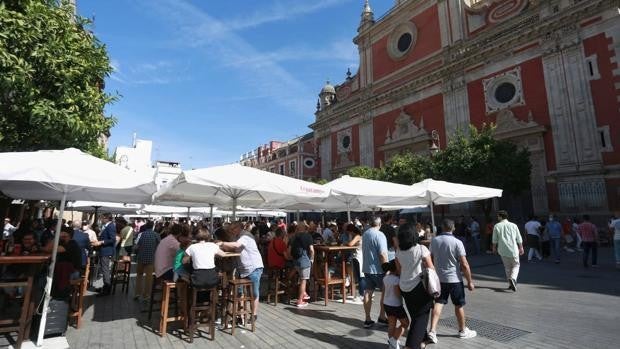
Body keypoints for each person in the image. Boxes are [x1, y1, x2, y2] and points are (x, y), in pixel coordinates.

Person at [428, 219, 477, 344]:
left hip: (440, 279)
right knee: (458, 305)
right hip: (455, 279)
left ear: (442, 227)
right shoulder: (457, 242)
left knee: (438, 303)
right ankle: (462, 330)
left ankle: (432, 331)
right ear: (453, 228)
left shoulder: (434, 241)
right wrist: (469, 281)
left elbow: (430, 259)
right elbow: (464, 264)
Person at [395, 223, 435, 349]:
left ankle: (422, 341)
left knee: (415, 315)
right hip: (420, 287)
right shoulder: (421, 248)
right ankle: (411, 346)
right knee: (420, 318)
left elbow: (399, 271)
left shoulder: (398, 251)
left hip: (405, 287)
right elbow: (431, 268)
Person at [219, 222, 264, 321]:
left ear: (239, 227)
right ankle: (241, 315)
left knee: (253, 293)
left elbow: (236, 245)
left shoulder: (245, 235)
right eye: (229, 229)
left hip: (253, 267)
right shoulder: (236, 236)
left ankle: (254, 315)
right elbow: (231, 246)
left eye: (232, 229)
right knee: (240, 292)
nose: (231, 231)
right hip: (242, 269)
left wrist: (222, 243)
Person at [361, 217, 388, 328]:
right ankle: (382, 316)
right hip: (378, 269)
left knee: (368, 292)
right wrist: (387, 267)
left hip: (367, 267)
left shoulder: (365, 234)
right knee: (385, 293)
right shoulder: (380, 235)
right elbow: (382, 254)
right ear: (380, 224)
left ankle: (367, 319)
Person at [492, 210, 524, 292]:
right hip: (513, 249)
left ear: (501, 216)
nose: (497, 217)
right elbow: (518, 238)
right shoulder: (513, 225)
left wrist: (494, 248)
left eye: (498, 216)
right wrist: (521, 247)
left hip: (502, 250)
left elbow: (494, 239)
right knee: (516, 265)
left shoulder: (497, 226)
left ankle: (510, 283)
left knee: (507, 267)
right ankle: (513, 279)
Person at [382, 260, 409, 349]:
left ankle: (392, 344)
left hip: (387, 304)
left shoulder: (385, 278)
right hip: (396, 305)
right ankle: (394, 339)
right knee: (405, 323)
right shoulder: (397, 280)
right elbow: (397, 294)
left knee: (391, 325)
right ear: (396, 268)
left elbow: (385, 291)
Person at [288, 221, 314, 308]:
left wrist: (291, 258)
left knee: (301, 277)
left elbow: (289, 250)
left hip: (296, 261)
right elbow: (311, 250)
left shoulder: (293, 237)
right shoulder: (308, 236)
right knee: (304, 280)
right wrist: (312, 259)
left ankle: (304, 294)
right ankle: (300, 300)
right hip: (304, 261)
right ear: (305, 228)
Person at [91, 214, 116, 296]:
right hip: (104, 250)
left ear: (106, 218)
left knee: (105, 270)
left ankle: (106, 289)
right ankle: (105, 287)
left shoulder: (111, 226)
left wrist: (101, 242)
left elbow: (112, 239)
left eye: (102, 218)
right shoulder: (106, 226)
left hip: (106, 251)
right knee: (104, 269)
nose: (101, 219)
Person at [134, 221, 160, 301]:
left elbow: (136, 246)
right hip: (151, 259)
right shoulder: (156, 235)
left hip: (141, 258)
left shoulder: (141, 234)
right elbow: (159, 246)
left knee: (139, 276)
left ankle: (137, 293)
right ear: (153, 226)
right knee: (149, 278)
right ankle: (146, 295)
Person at [345, 223, 364, 304]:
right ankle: (362, 293)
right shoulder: (356, 236)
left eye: (349, 232)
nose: (349, 234)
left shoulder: (357, 236)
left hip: (358, 257)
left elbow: (350, 244)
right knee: (359, 276)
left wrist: (346, 243)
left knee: (360, 277)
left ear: (352, 231)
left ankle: (361, 295)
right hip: (356, 257)